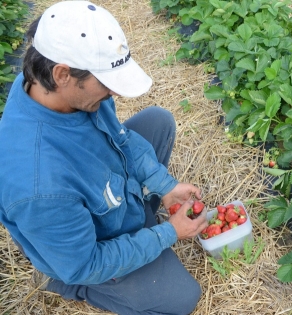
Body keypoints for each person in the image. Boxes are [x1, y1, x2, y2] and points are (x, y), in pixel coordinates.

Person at [0, 1, 209, 314]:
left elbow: (121, 139)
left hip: (96, 193)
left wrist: (164, 185)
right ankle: (73, 286)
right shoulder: (40, 184)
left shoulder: (56, 90)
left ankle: (136, 215)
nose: (116, 94)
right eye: (108, 84)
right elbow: (86, 262)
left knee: (158, 121)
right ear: (62, 74)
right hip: (80, 260)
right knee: (181, 298)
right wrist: (168, 233)